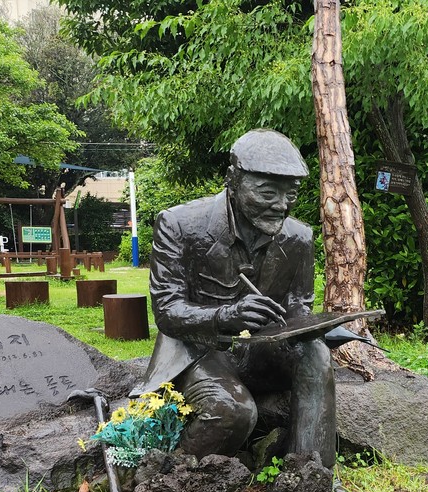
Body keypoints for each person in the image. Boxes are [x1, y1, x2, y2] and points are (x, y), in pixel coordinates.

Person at [132, 129, 335, 468]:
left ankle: (311, 469)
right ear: (233, 180)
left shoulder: (299, 237)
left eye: (291, 194)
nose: (281, 205)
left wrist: (310, 328)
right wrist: (225, 316)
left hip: (263, 350)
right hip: (200, 350)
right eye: (267, 192)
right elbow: (167, 311)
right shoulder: (179, 224)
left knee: (316, 354)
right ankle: (171, 472)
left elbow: (299, 305)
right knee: (234, 411)